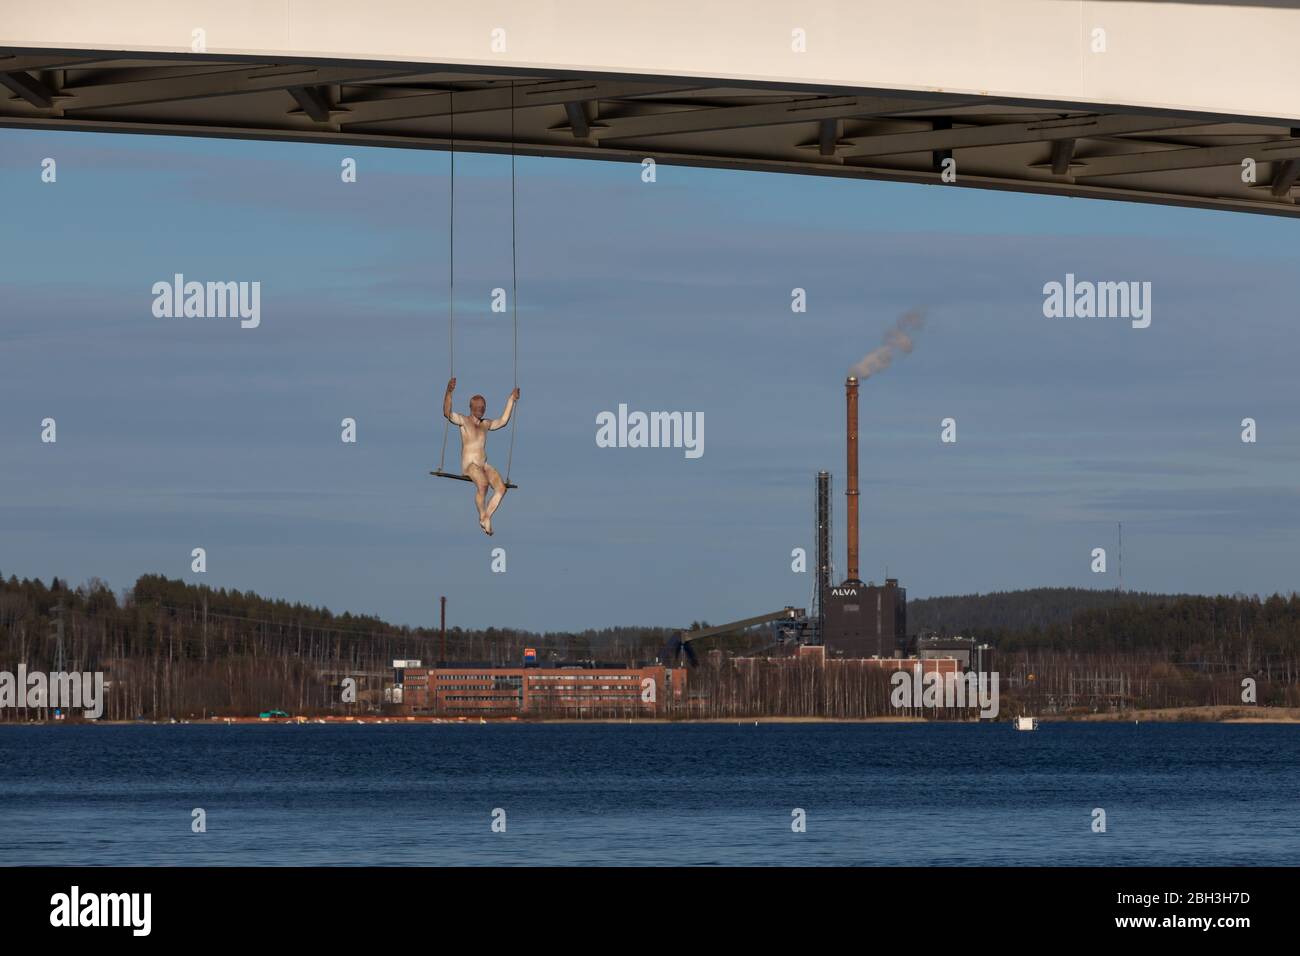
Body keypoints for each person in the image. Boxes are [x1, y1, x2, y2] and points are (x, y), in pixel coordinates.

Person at [443, 377, 519, 535]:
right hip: (470, 465)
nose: (481, 409)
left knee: (501, 488)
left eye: (483, 407)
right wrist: (449, 392)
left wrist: (511, 399)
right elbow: (447, 413)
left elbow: (503, 421)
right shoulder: (464, 421)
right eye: (478, 407)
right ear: (471, 407)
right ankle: (482, 515)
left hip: (483, 464)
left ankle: (486, 517)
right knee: (483, 484)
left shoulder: (486, 424)